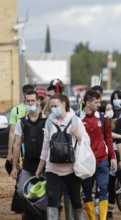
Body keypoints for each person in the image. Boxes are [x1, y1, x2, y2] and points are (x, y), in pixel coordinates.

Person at [35, 94, 88, 219]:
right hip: (52, 168)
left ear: (64, 104)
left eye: (56, 106)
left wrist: (78, 135)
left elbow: (87, 142)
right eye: (52, 106)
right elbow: (45, 146)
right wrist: (40, 167)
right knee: (53, 199)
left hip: (72, 169)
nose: (53, 109)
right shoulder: (49, 122)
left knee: (75, 199)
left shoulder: (75, 120)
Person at [81, 90, 117, 220]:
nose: (99, 104)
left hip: (102, 160)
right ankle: (91, 218)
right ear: (88, 103)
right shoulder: (78, 118)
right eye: (96, 102)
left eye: (99, 101)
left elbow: (108, 138)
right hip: (86, 162)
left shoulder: (103, 117)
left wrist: (112, 156)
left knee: (103, 188)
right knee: (87, 191)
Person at [11, 90, 46, 219]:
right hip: (28, 165)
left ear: (38, 101)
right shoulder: (21, 122)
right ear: (24, 102)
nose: (30, 103)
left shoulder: (47, 120)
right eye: (28, 101)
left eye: (33, 100)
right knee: (21, 191)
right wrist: (14, 167)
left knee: (47, 193)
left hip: (46, 166)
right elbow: (17, 144)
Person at [7, 84, 34, 214]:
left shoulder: (37, 111)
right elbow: (12, 133)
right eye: (27, 98)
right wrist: (10, 153)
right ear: (24, 96)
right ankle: (21, 206)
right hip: (21, 147)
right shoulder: (16, 111)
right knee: (20, 175)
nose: (30, 102)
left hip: (33, 148)